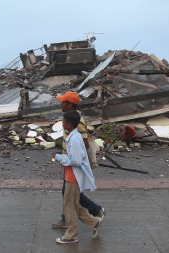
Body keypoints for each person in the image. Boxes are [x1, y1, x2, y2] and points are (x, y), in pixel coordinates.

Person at [52, 91, 106, 229]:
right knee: (69, 192)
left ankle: (95, 211)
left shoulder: (78, 122)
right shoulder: (71, 118)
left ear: (69, 105)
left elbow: (84, 143)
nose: (61, 104)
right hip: (69, 161)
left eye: (63, 102)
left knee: (70, 192)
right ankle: (71, 217)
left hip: (73, 162)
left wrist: (70, 157)